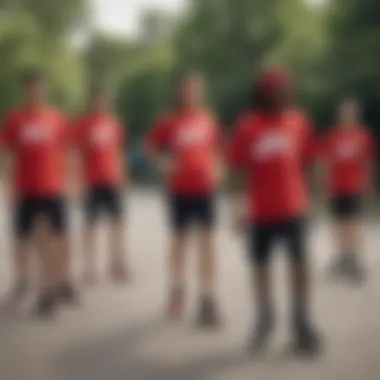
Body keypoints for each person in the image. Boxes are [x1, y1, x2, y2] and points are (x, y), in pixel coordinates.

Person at [227, 68, 320, 355]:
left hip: (294, 207)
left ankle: (301, 320)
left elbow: (310, 161)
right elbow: (237, 171)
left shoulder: (298, 121)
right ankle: (265, 319)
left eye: (284, 89)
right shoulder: (248, 126)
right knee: (261, 266)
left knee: (300, 264)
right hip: (260, 211)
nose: (281, 94)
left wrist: (314, 199)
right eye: (275, 90)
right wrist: (237, 207)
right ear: (263, 94)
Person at [145, 73, 222, 327]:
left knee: (207, 244)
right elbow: (151, 146)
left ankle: (208, 299)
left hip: (205, 189)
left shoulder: (207, 119)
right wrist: (162, 163)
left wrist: (218, 169)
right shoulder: (169, 120)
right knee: (180, 242)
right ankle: (177, 290)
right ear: (179, 92)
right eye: (187, 89)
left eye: (196, 89)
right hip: (179, 189)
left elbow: (218, 149)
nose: (192, 93)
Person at [0, 69, 75, 317]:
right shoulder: (16, 119)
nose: (36, 93)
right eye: (32, 89)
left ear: (45, 90)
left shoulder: (56, 119)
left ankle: (49, 291)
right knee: (23, 241)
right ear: (26, 91)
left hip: (52, 188)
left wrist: (72, 181)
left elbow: (68, 151)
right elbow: (7, 153)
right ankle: (23, 282)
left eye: (40, 88)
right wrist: (7, 183)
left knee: (53, 241)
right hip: (25, 188)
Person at [73, 84, 130, 285]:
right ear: (91, 102)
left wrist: (123, 178)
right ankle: (90, 266)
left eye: (104, 100)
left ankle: (117, 263)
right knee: (90, 225)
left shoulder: (114, 123)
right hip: (91, 181)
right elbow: (76, 154)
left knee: (117, 223)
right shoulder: (84, 125)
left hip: (112, 180)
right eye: (97, 100)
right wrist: (76, 183)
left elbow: (119, 153)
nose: (101, 103)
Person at [322, 97, 374, 282]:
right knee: (339, 224)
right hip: (337, 186)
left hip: (354, 185)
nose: (346, 117)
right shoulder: (334, 135)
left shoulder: (362, 136)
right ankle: (341, 257)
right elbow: (328, 162)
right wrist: (326, 183)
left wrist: (367, 184)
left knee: (353, 223)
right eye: (343, 114)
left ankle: (353, 258)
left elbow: (366, 162)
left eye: (350, 114)